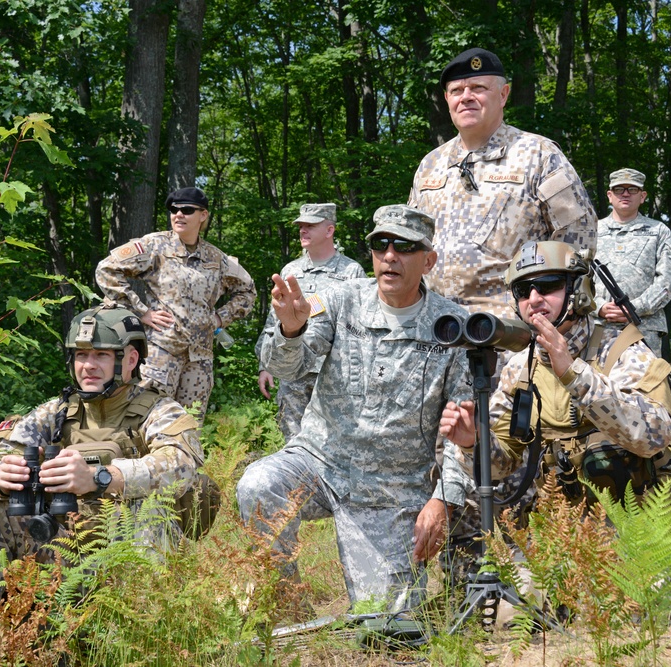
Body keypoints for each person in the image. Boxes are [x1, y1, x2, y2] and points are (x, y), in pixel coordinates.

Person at [236, 205, 472, 615]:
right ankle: (287, 606)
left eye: (405, 247)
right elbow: (289, 367)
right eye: (381, 245)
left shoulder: (453, 326)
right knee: (258, 484)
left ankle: (386, 608)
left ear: (428, 260)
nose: (390, 256)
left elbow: (463, 430)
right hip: (319, 463)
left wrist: (442, 499)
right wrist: (291, 330)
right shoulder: (340, 300)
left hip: (390, 490)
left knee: (390, 623)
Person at [438, 241, 671, 575]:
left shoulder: (621, 350)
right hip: (563, 534)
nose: (534, 300)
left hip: (643, 532)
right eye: (522, 291)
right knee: (515, 619)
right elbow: (501, 466)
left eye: (547, 286)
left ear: (579, 291)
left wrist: (574, 374)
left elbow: (654, 437)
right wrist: (473, 442)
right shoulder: (521, 368)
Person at [0, 304, 211, 592]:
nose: (88, 365)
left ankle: (139, 628)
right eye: (81, 355)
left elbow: (181, 466)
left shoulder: (159, 411)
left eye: (101, 354)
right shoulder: (57, 412)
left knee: (148, 508)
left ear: (131, 359)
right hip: (63, 547)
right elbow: (3, 455)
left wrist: (100, 478)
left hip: (127, 547)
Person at [408, 47, 597, 322]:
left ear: (503, 94)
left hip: (511, 333)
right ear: (447, 99)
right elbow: (411, 244)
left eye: (478, 87)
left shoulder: (539, 155)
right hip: (436, 328)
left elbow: (578, 240)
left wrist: (562, 317)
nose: (466, 97)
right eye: (457, 91)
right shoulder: (430, 165)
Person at [96, 187, 256, 419]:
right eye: (174, 210)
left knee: (190, 424)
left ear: (203, 215)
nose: (179, 214)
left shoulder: (215, 257)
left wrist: (221, 318)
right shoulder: (154, 246)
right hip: (161, 353)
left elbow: (247, 291)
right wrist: (141, 312)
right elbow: (107, 270)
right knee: (147, 419)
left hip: (199, 359)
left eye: (187, 210)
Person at [254, 203, 366, 441]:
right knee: (293, 441)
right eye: (301, 226)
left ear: (329, 231)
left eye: (310, 226)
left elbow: (360, 329)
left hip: (334, 374)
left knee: (333, 441)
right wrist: (265, 364)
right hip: (293, 372)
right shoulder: (291, 271)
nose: (303, 231)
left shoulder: (351, 272)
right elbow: (274, 321)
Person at [593, 168, 671, 357]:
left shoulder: (659, 231)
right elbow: (576, 279)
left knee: (644, 385)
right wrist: (597, 306)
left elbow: (668, 281)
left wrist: (636, 307)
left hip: (643, 328)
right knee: (595, 384)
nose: (625, 193)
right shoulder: (591, 232)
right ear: (610, 196)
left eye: (632, 189)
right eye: (619, 189)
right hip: (597, 327)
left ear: (642, 196)